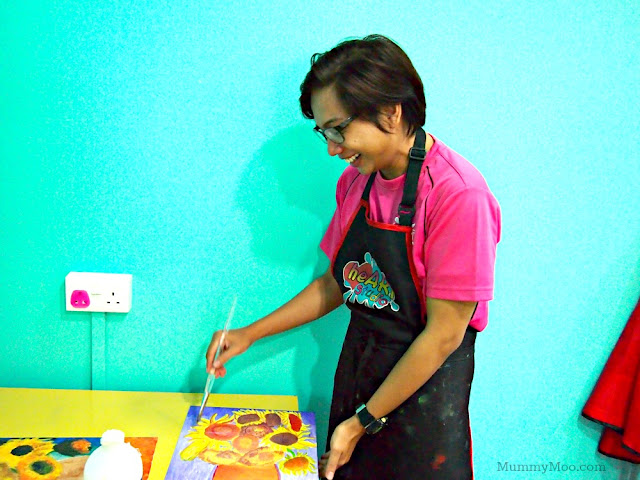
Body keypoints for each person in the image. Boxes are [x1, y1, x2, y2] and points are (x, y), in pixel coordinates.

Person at [206, 34, 501, 480]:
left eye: (339, 129)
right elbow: (336, 284)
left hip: (425, 390)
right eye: (324, 132)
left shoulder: (458, 196)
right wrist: (250, 333)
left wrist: (363, 421)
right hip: (360, 369)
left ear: (391, 112)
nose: (332, 148)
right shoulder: (356, 183)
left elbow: (444, 334)